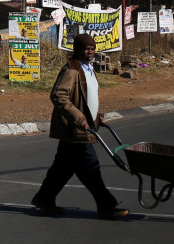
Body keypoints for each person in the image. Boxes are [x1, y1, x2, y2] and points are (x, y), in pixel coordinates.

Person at [30, 33, 129, 220]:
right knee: (91, 168)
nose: (90, 51)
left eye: (92, 48)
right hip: (75, 129)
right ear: (77, 50)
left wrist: (96, 116)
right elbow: (59, 96)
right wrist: (79, 117)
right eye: (86, 49)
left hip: (84, 126)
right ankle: (107, 206)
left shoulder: (89, 69)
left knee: (63, 168)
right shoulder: (72, 70)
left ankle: (44, 198)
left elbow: (86, 97)